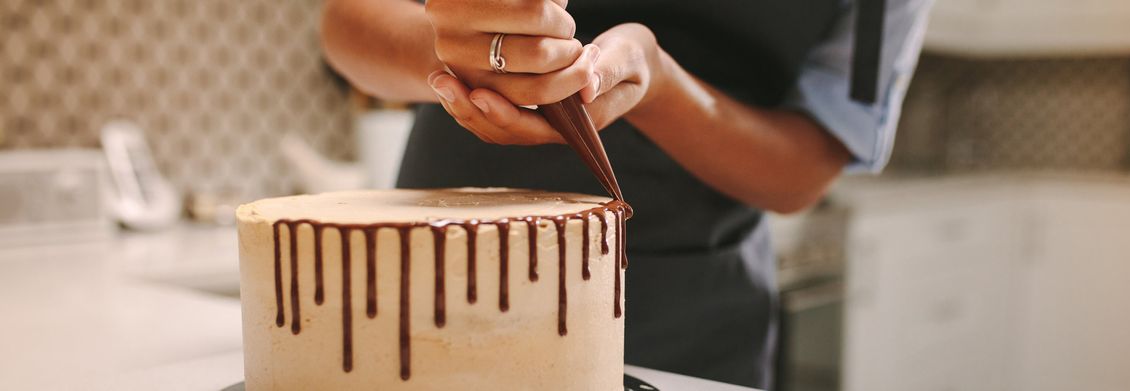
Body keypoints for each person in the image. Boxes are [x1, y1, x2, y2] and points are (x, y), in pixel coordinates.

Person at [320, 0, 933, 387]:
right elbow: (347, 22)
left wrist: (659, 82)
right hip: (433, 290)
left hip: (686, 321)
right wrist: (451, 50)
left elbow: (803, 168)